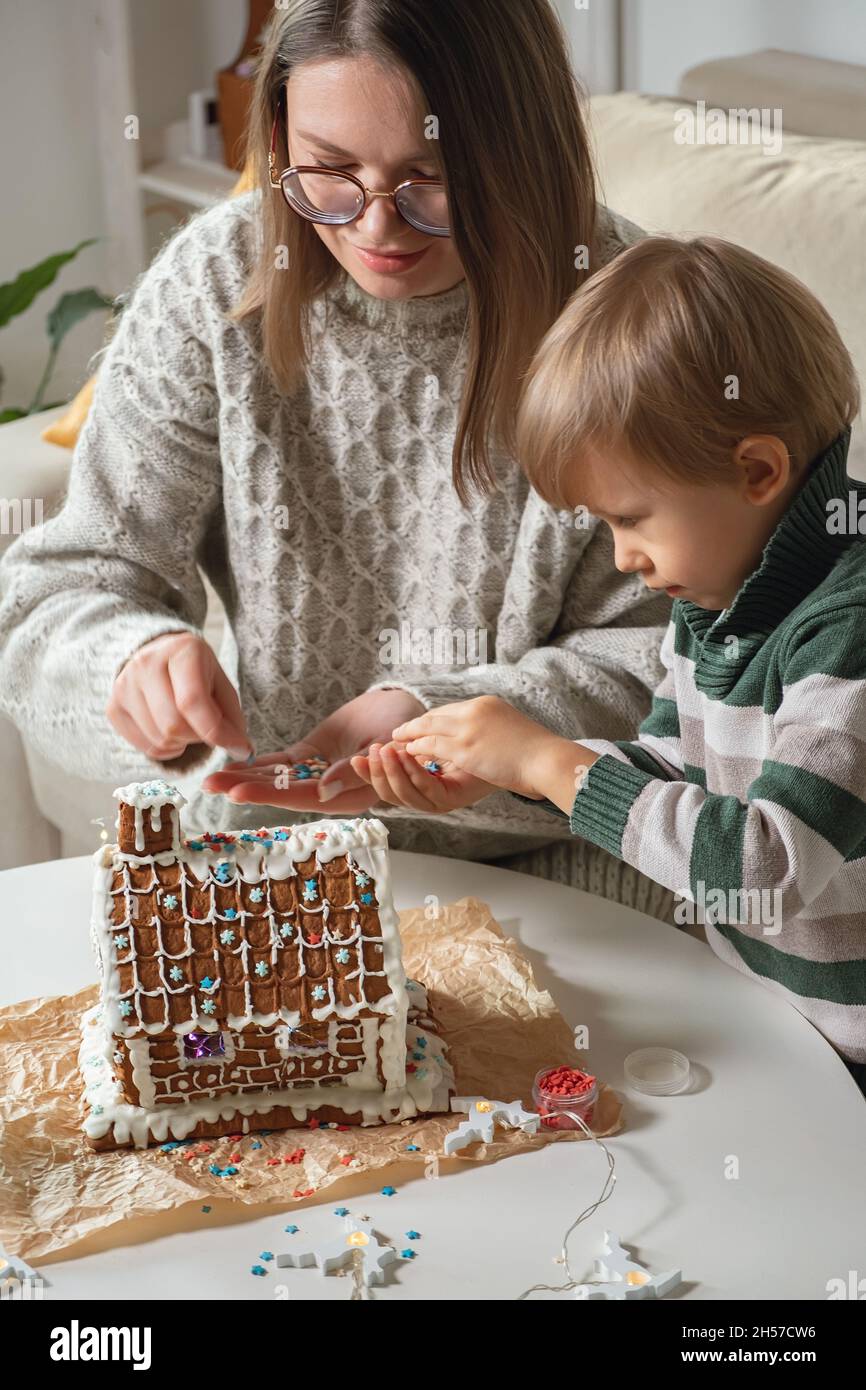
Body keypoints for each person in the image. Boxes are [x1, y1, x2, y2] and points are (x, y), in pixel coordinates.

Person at [0, 0, 674, 921]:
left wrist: (442, 719)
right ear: (278, 141)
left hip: (561, 858)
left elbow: (674, 661)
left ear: (519, 148)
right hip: (269, 852)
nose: (375, 228)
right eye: (327, 172)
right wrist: (130, 658)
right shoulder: (213, 285)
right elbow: (54, 598)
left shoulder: (626, 309)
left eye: (430, 180)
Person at [363, 235, 866, 1085]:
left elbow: (765, 871)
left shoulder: (845, 640)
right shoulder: (715, 596)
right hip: (773, 1013)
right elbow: (673, 768)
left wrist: (552, 763)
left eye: (630, 518)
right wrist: (517, 771)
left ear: (757, 470)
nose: (622, 555)